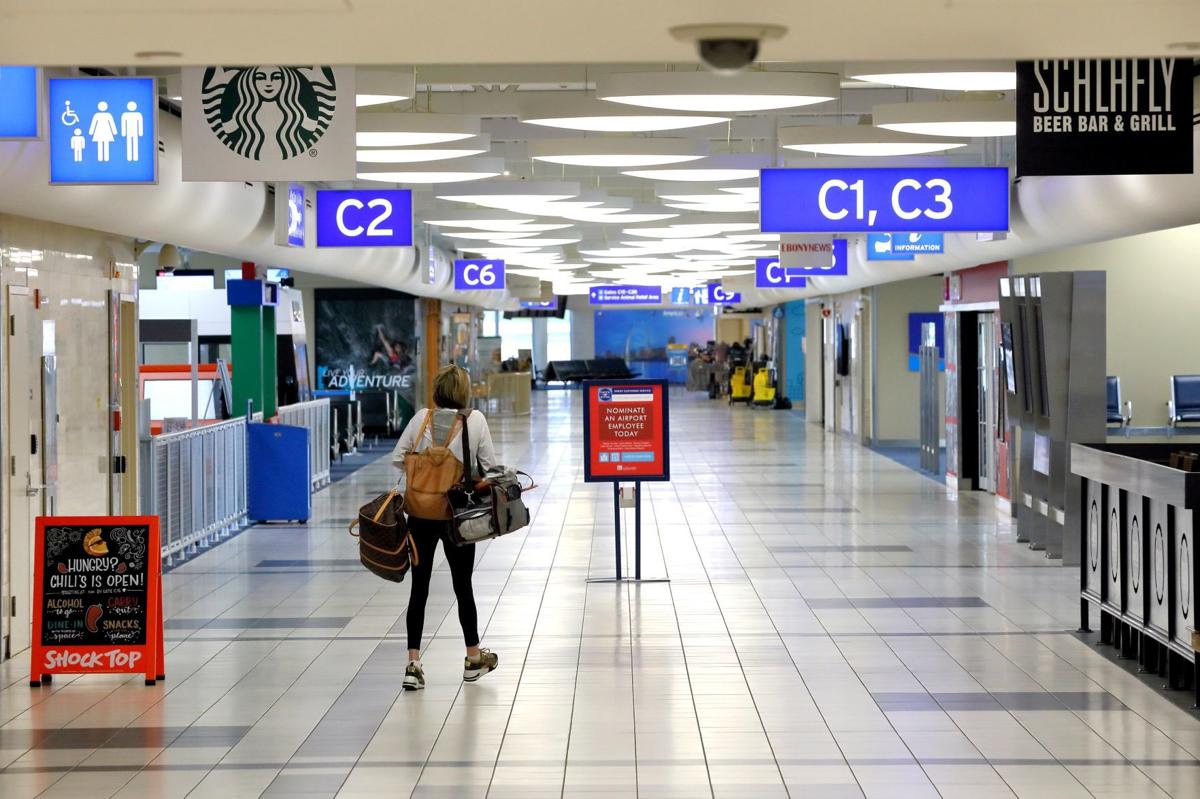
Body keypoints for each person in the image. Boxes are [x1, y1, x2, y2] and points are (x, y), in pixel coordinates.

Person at [392, 364, 499, 691]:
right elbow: (491, 468)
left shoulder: (421, 418)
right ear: (464, 392)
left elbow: (399, 458)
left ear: (438, 390)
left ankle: (413, 664)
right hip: (458, 516)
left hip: (421, 514)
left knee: (419, 588)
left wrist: (426, 475)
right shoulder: (475, 420)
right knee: (462, 585)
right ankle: (472, 657)